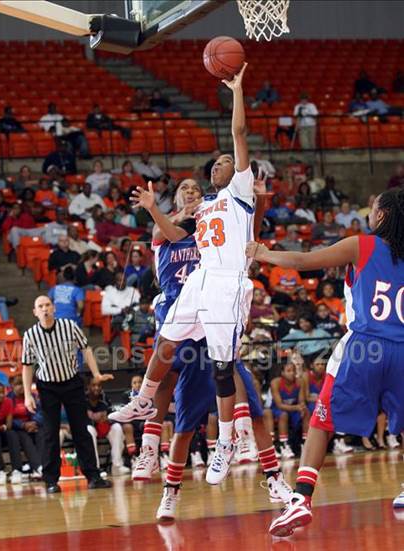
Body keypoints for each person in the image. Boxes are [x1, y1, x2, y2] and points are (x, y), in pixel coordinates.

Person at [111, 64, 274, 486]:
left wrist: (237, 90)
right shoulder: (202, 208)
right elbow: (170, 232)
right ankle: (144, 400)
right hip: (200, 280)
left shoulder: (239, 192)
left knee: (222, 369)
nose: (223, 163)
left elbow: (239, 136)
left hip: (227, 285)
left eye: (227, 161)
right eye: (218, 162)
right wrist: (152, 207)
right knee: (167, 340)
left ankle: (224, 443)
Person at [245, 187, 404, 536]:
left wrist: (263, 252)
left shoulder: (362, 244)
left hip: (366, 345)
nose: (369, 212)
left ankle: (301, 499)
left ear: (383, 215)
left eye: (373, 207)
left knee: (322, 418)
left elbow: (303, 262)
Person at [21, 295, 113, 493]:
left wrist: (96, 374)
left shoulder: (69, 326)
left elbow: (86, 349)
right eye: (40, 306)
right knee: (50, 434)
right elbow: (27, 366)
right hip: (47, 387)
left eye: (47, 305)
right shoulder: (30, 335)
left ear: (53, 308)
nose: (44, 309)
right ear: (35, 312)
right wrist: (28, 395)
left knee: (82, 430)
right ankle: (51, 481)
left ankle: (93, 477)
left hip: (72, 382)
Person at [86, 377, 129, 476]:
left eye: (99, 386)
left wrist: (106, 419)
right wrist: (94, 419)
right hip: (90, 427)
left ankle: (117, 466)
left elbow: (111, 414)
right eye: (93, 385)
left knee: (117, 428)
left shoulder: (105, 398)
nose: (96, 388)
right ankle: (95, 468)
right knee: (89, 430)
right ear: (88, 387)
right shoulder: (83, 399)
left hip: (104, 426)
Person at [0, 380, 24, 485]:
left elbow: (9, 425)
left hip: (3, 432)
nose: (2, 395)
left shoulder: (8, 402)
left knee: (12, 434)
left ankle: (17, 470)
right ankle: (0, 472)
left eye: (3, 392)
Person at [271, 361, 309, 459]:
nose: (292, 373)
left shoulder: (300, 381)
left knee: (306, 412)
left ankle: (306, 443)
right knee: (283, 415)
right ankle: (284, 445)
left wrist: (302, 407)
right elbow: (279, 405)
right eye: (288, 371)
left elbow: (301, 401)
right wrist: (297, 407)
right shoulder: (276, 382)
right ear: (282, 373)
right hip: (278, 410)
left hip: (293, 409)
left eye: (293, 371)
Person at [7, 374, 43, 479]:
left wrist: (34, 423)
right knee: (24, 437)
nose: (21, 386)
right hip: (18, 429)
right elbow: (9, 419)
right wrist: (23, 425)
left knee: (42, 433)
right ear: (12, 386)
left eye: (23, 383)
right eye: (18, 384)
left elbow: (40, 413)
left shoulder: (33, 396)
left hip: (33, 426)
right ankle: (38, 466)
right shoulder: (8, 399)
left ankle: (41, 466)